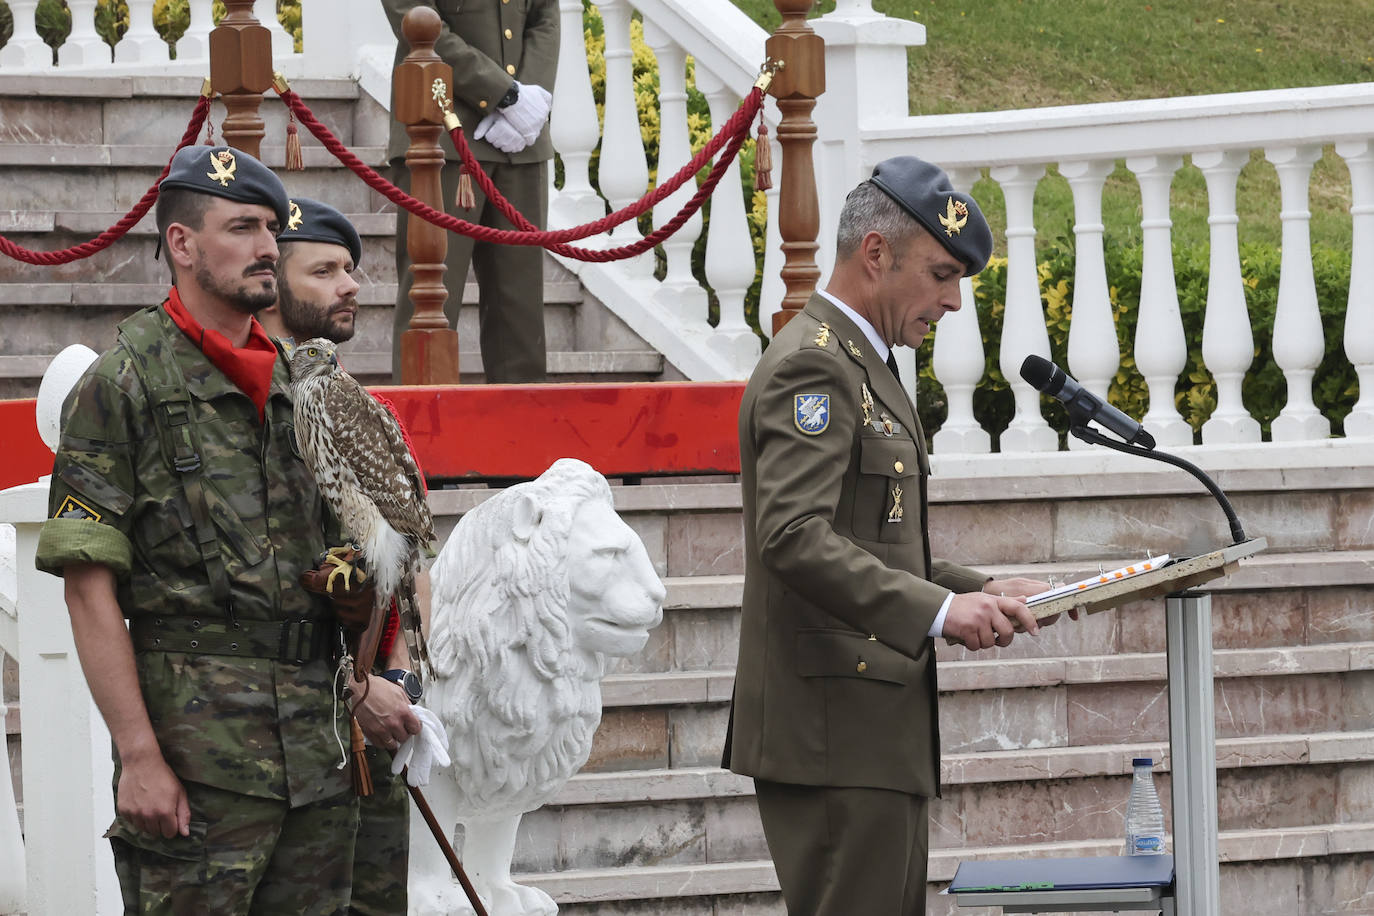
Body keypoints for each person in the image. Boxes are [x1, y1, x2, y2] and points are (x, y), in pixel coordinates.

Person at [34, 145, 372, 915]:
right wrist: (139, 755)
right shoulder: (124, 385)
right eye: (243, 228)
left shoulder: (299, 383)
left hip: (316, 761)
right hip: (199, 763)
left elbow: (343, 553)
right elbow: (89, 589)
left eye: (272, 230)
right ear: (182, 245)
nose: (266, 248)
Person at [723, 156, 1053, 914]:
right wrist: (938, 614)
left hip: (868, 730)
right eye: (941, 274)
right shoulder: (815, 370)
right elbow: (794, 537)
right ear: (876, 253)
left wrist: (977, 589)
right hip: (834, 735)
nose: (954, 302)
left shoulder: (864, 364)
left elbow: (872, 538)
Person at [262, 196, 427, 916]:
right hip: (277, 730)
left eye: (351, 269)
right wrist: (354, 690)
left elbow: (410, 559)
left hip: (371, 721)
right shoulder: (250, 408)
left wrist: (398, 680)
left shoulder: (359, 405)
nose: (351, 285)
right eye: (325, 270)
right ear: (273, 280)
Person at [382, 0, 559, 384]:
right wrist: (503, 94)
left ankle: (521, 434)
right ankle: (419, 433)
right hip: (441, 135)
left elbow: (544, 17)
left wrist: (531, 100)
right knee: (430, 302)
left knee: (521, 313)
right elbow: (414, 18)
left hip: (521, 140)